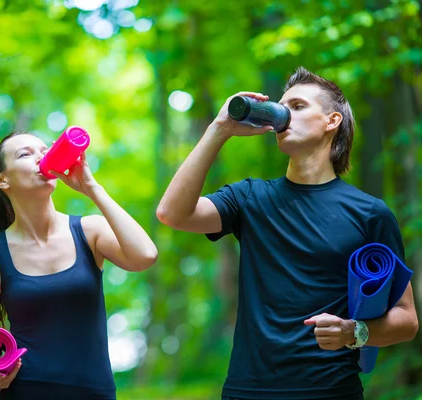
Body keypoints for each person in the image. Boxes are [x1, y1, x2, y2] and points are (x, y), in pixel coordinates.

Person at [156, 67, 418, 400]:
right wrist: (219, 128)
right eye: (282, 107)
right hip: (247, 390)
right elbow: (172, 213)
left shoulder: (370, 213)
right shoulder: (249, 198)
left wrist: (354, 332)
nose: (283, 115)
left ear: (331, 121)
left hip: (331, 391)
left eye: (298, 106)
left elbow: (407, 320)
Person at [0, 131, 158, 399]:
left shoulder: (90, 231)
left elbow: (144, 255)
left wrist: (91, 187)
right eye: (25, 154)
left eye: (43, 150)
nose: (40, 156)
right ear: (2, 180)